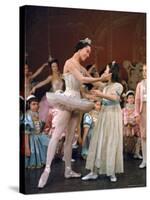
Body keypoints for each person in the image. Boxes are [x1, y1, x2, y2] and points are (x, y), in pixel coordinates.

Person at [38, 38, 109, 188]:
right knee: (57, 135)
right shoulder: (70, 63)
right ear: (80, 49)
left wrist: (111, 82)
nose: (88, 54)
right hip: (68, 99)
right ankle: (47, 170)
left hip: (77, 101)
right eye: (87, 51)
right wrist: (101, 78)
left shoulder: (81, 67)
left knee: (70, 138)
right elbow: (82, 78)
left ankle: (68, 170)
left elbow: (93, 82)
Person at [82, 61, 124, 182]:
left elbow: (115, 98)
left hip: (112, 115)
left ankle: (111, 171)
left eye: (106, 70)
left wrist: (101, 94)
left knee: (111, 140)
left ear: (111, 72)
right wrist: (91, 96)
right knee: (99, 140)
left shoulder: (118, 86)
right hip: (104, 114)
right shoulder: (105, 86)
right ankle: (94, 171)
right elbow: (94, 81)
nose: (104, 72)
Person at [24, 95, 49, 168]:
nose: (36, 106)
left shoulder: (38, 114)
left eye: (37, 104)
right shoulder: (27, 116)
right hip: (31, 139)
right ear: (29, 105)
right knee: (33, 153)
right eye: (33, 104)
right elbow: (26, 133)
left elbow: (39, 127)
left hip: (38, 137)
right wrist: (27, 147)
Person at [122, 90, 142, 159]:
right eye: (129, 98)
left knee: (139, 134)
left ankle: (137, 152)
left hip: (134, 126)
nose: (131, 99)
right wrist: (127, 124)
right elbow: (123, 119)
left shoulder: (137, 109)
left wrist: (134, 123)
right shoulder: (124, 109)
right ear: (127, 99)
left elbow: (137, 118)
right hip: (126, 126)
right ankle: (124, 151)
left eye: (132, 98)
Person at [135, 64, 147, 168]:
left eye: (146, 70)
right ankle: (145, 160)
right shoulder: (140, 84)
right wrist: (137, 114)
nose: (144, 72)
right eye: (143, 70)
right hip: (143, 111)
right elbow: (137, 100)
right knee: (144, 136)